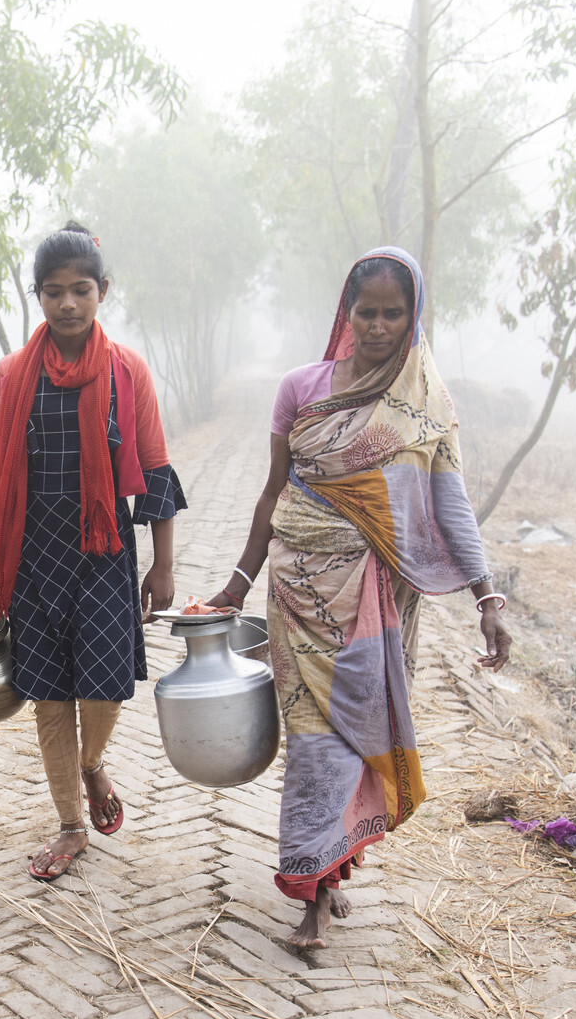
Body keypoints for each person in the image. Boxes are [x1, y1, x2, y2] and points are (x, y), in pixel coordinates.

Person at [208, 247, 510, 951]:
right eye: (366, 311)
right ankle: (312, 892)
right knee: (315, 742)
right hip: (299, 591)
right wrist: (235, 584)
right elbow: (273, 490)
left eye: (392, 313)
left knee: (356, 736)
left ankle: (330, 870)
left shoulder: (423, 404)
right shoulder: (301, 388)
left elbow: (450, 502)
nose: (377, 325)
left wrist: (486, 595)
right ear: (346, 312)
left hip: (378, 596)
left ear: (414, 317)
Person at [0, 222, 186, 882]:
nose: (68, 304)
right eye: (54, 292)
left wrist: (163, 562)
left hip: (103, 553)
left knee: (105, 687)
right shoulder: (12, 376)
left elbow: (154, 465)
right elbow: (0, 478)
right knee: (51, 698)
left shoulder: (127, 372)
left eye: (80, 290)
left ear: (103, 291)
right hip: (32, 557)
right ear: (37, 297)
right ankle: (69, 825)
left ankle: (93, 764)